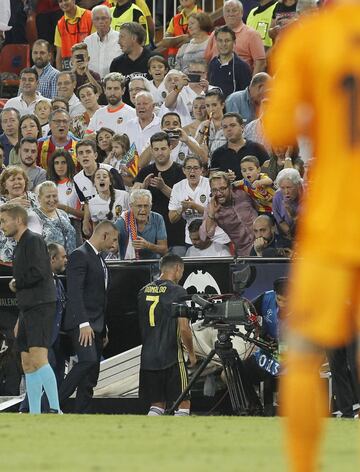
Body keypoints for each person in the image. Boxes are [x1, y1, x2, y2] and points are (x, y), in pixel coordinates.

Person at [261, 3, 360, 470]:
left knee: (301, 351)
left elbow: (278, 128)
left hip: (337, 221)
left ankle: (303, 465)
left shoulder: (310, 36)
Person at [0, 203, 59, 414]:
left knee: (38, 358)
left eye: (4, 221)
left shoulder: (33, 240)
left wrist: (17, 282)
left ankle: (55, 409)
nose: (2, 226)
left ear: (18, 220)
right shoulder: (21, 244)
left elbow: (41, 272)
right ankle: (34, 412)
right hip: (28, 307)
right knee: (26, 361)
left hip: (40, 305)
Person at [58, 221, 119, 413]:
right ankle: (52, 403)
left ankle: (82, 414)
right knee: (88, 360)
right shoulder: (79, 255)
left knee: (92, 374)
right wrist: (83, 323)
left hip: (97, 325)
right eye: (114, 240)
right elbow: (75, 292)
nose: (115, 245)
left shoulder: (100, 259)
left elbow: (100, 296)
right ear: (104, 235)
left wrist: (104, 327)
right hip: (81, 323)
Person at [137, 253, 196, 416]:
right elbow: (184, 328)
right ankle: (180, 440)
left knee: (157, 406)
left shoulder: (142, 292)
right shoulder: (178, 291)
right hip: (172, 358)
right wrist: (191, 353)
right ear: (178, 268)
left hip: (148, 358)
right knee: (183, 404)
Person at [19, 242, 68, 413]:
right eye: (63, 257)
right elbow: (28, 303)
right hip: (39, 333)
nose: (66, 260)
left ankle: (38, 410)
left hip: (51, 336)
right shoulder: (39, 279)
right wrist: (21, 324)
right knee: (37, 367)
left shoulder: (55, 281)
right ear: (52, 259)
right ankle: (46, 409)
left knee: (41, 368)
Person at [241, 277, 289, 415]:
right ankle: (255, 406)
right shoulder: (266, 298)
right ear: (275, 294)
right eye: (279, 300)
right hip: (267, 351)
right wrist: (256, 326)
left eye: (287, 301)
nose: (283, 304)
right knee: (239, 371)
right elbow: (248, 308)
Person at [134, 132, 187, 255]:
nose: (160, 152)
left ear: (170, 148)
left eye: (163, 148)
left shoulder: (181, 171)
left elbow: (184, 201)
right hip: (151, 238)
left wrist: (163, 187)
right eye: (156, 149)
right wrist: (144, 187)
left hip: (176, 235)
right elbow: (133, 200)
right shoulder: (145, 172)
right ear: (151, 151)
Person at [169, 155, 230, 246]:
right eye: (188, 168)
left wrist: (194, 206)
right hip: (193, 239)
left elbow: (218, 214)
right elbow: (172, 218)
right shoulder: (178, 187)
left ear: (202, 170)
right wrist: (182, 209)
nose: (192, 171)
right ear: (183, 170)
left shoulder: (210, 185)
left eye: (196, 168)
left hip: (217, 237)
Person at [200, 171, 257, 256]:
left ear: (230, 187)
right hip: (244, 253)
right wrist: (212, 214)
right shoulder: (211, 207)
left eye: (222, 188)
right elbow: (204, 236)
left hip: (264, 244)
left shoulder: (243, 194)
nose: (219, 193)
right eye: (214, 190)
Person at [205, 0, 267, 74]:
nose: (231, 14)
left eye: (234, 11)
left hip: (240, 82)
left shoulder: (252, 34)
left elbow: (260, 63)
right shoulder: (215, 34)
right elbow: (206, 60)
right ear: (223, 14)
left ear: (241, 13)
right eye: (228, 11)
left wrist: (252, 85)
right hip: (214, 81)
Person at [0, 166, 42, 263]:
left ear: (25, 181)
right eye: (12, 180)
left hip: (34, 254)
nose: (17, 182)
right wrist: (8, 205)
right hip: (7, 258)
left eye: (19, 178)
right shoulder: (2, 202)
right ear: (4, 185)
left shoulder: (34, 198)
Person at [211, 113, 270, 179]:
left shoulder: (257, 148)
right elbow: (213, 178)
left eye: (232, 125)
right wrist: (224, 177)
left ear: (242, 127)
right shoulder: (217, 154)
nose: (229, 129)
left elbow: (269, 173)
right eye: (225, 127)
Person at [115, 188, 168, 259]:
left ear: (151, 206)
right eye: (139, 206)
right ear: (131, 207)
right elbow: (111, 246)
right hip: (127, 266)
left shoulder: (158, 218)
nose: (143, 210)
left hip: (151, 266)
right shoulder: (122, 221)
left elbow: (164, 250)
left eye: (146, 206)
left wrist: (148, 245)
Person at [110, 22, 153, 105]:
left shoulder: (154, 60)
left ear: (134, 38)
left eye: (122, 37)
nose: (119, 42)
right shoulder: (116, 63)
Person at [46, 149, 83, 246]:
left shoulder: (77, 183)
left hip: (73, 225)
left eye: (63, 162)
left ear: (69, 164)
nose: (60, 166)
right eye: (56, 163)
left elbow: (84, 214)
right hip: (52, 226)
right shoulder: (49, 185)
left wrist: (63, 208)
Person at [208, 26, 252, 99]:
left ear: (234, 42)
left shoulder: (242, 66)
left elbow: (246, 95)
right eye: (220, 41)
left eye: (227, 40)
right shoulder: (213, 63)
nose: (223, 44)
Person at [34, 181, 77, 254]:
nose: (52, 200)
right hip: (48, 262)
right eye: (48, 196)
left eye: (54, 196)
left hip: (69, 261)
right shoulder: (34, 216)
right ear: (39, 198)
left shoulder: (63, 214)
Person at [84, 5, 123, 79]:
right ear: (92, 21)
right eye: (97, 19)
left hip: (115, 85)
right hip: (93, 86)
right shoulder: (87, 41)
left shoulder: (120, 38)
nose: (100, 21)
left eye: (103, 18)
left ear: (110, 20)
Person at [55, 0, 93, 71]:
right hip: (69, 72)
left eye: (66, 0)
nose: (63, 3)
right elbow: (59, 56)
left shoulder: (90, 16)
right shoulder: (60, 24)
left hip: (88, 69)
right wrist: (59, 75)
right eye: (60, 1)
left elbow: (96, 45)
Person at [272, 168, 303, 245]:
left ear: (298, 185)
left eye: (289, 187)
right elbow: (280, 221)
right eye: (282, 188)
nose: (286, 192)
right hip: (288, 236)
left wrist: (293, 214)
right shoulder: (277, 197)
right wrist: (290, 237)